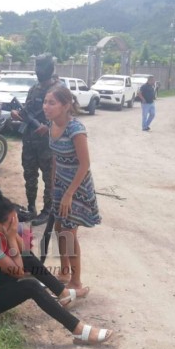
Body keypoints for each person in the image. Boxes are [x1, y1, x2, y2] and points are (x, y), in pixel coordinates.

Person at [0, 185, 113, 345]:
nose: (15, 225)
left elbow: (24, 254)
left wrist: (13, 235)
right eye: (12, 221)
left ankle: (63, 293)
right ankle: (78, 330)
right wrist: (11, 238)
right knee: (30, 286)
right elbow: (18, 272)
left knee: (28, 258)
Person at [43, 85, 101, 288]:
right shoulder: (52, 125)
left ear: (66, 105)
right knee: (59, 228)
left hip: (77, 188)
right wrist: (52, 185)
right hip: (60, 185)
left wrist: (68, 194)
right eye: (45, 102)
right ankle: (64, 272)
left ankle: (76, 282)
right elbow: (55, 158)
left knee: (68, 232)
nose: (46, 107)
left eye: (52, 102)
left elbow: (85, 164)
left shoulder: (76, 130)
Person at [11, 53, 59, 226]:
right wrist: (17, 114)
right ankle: (31, 208)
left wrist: (49, 126)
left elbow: (67, 116)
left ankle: (48, 210)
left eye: (42, 67)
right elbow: (27, 111)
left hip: (49, 145)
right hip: (30, 142)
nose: (39, 71)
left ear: (50, 69)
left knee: (49, 178)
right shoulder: (34, 89)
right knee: (29, 175)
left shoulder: (59, 90)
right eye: (37, 67)